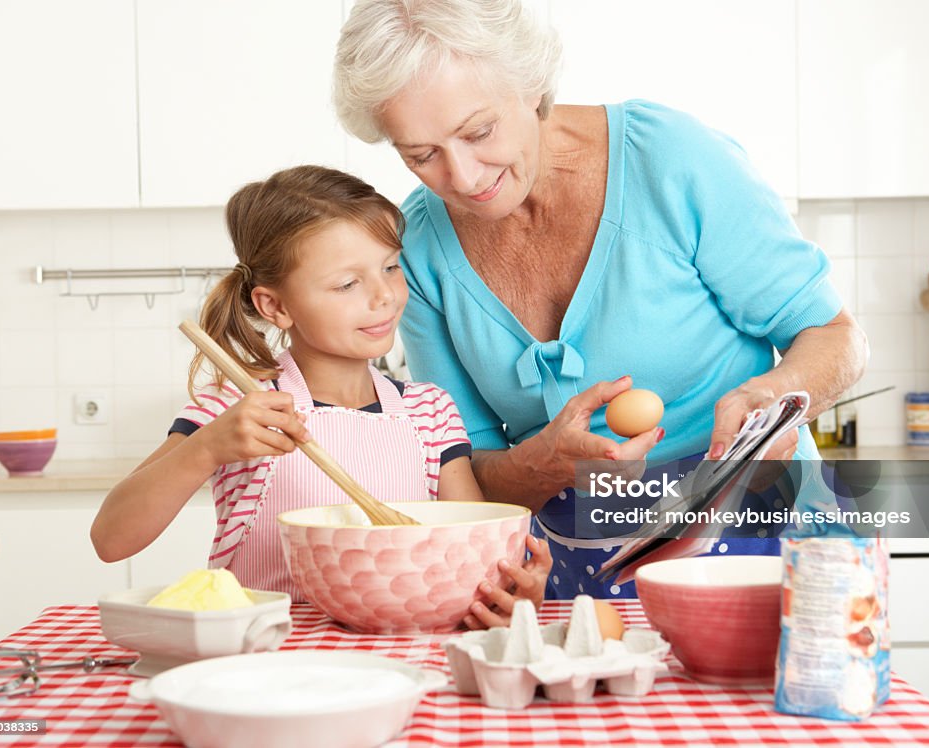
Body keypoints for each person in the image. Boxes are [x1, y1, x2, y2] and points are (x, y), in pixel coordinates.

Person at [333, 0, 869, 599]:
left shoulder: (669, 160)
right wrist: (541, 461)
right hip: (576, 577)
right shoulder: (419, 248)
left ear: (532, 84)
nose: (461, 176)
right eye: (421, 155)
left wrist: (768, 397)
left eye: (479, 131)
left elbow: (835, 335)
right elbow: (465, 470)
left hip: (762, 543)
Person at [90, 165, 551, 629]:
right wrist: (207, 447)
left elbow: (469, 552)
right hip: (263, 656)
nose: (383, 296)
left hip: (399, 651)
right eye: (347, 284)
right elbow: (111, 539)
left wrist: (513, 591)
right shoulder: (239, 409)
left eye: (391, 266)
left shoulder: (428, 412)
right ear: (276, 306)